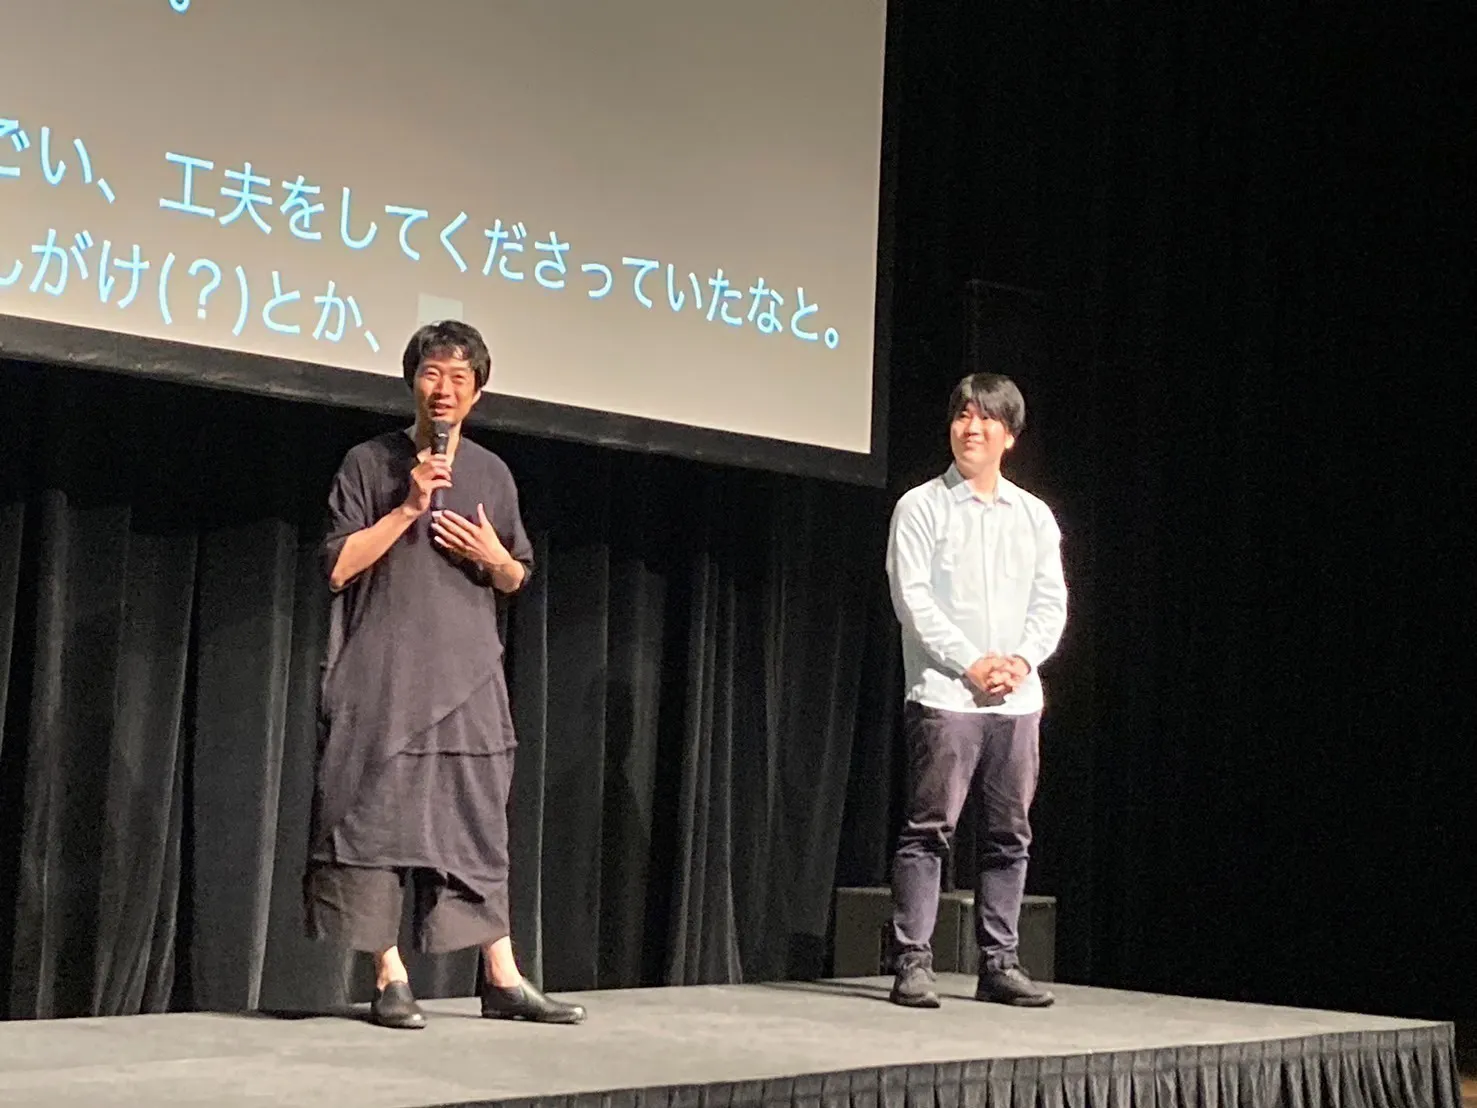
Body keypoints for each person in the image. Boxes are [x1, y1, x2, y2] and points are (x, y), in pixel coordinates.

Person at [304, 320, 585, 1030]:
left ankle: (501, 976)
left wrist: (494, 557)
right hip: (384, 674)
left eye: (460, 378)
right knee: (371, 818)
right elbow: (337, 567)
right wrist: (407, 507)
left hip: (467, 676)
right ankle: (389, 975)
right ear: (413, 383)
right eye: (432, 374)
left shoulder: (492, 474)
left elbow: (515, 575)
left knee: (475, 823)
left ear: (477, 393)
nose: (444, 389)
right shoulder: (369, 462)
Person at [883, 372, 1068, 1009]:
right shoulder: (921, 506)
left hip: (1017, 700)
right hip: (945, 696)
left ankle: (999, 963)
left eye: (987, 418)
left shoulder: (1034, 516)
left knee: (1009, 835)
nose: (972, 428)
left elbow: (1051, 602)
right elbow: (913, 601)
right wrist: (970, 663)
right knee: (929, 830)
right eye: (963, 415)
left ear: (1009, 435)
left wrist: (1020, 661)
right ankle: (913, 961)